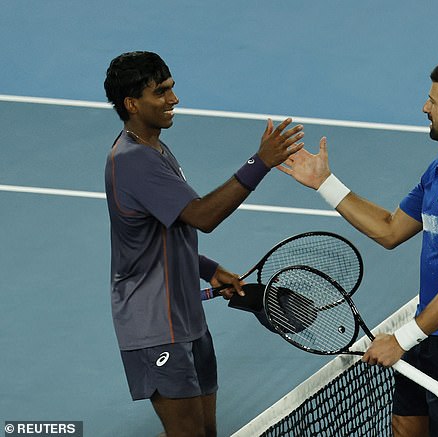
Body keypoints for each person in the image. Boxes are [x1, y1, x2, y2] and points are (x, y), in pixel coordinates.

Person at [278, 60, 438, 437]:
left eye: (431, 100)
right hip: (429, 333)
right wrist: (325, 183)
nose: (424, 108)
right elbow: (389, 230)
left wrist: (401, 340)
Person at [103, 51, 304, 437]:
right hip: (154, 325)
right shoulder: (132, 161)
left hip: (187, 320)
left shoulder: (154, 149)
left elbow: (162, 235)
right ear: (131, 103)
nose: (173, 99)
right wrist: (259, 162)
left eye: (172, 88)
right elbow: (203, 215)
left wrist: (208, 270)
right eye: (161, 92)